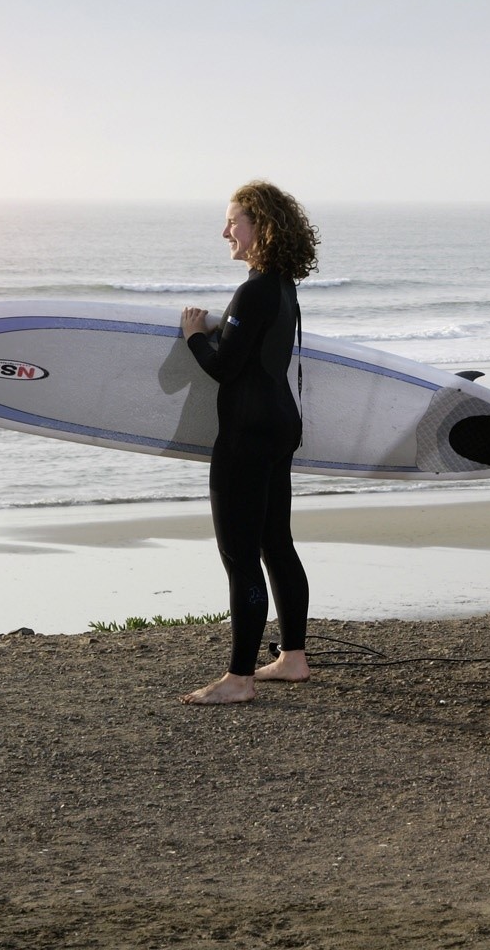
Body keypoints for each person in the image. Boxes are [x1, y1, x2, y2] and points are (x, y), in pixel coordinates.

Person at [177, 181, 322, 705]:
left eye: (233, 221)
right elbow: (257, 349)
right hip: (280, 425)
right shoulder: (283, 287)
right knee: (276, 543)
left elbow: (225, 367)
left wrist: (195, 335)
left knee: (240, 555)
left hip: (246, 434)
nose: (226, 232)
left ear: (260, 225)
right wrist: (223, 328)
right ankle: (293, 657)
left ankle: (238, 679)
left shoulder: (253, 291)